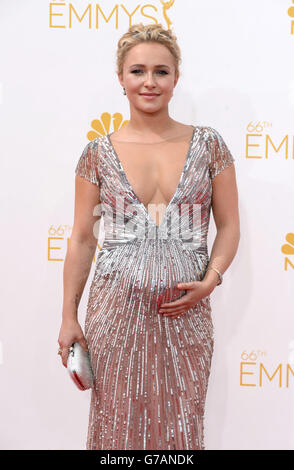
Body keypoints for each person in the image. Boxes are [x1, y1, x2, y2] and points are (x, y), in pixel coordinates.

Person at [58, 23, 240, 450]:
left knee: (181, 425)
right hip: (114, 314)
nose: (150, 82)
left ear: (176, 78)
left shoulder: (209, 144)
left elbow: (230, 226)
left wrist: (211, 280)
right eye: (137, 71)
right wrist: (69, 315)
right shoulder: (97, 153)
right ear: (120, 79)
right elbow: (83, 238)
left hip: (186, 313)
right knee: (115, 428)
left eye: (161, 71)